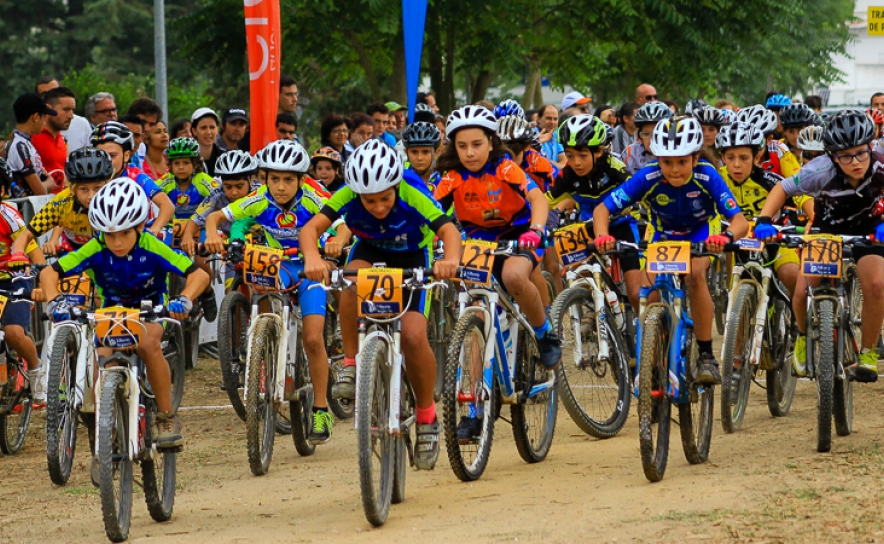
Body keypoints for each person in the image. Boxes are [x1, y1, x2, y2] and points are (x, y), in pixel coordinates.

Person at [300, 140, 461, 468]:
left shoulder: (412, 191)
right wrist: (312, 257)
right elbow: (311, 229)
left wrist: (453, 259)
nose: (377, 206)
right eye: (368, 200)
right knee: (350, 284)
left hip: (415, 255)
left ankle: (427, 418)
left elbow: (448, 229)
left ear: (395, 186)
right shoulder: (346, 193)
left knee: (414, 335)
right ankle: (350, 363)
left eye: (385, 198)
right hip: (371, 249)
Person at [40, 177, 211, 449]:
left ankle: (166, 417)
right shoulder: (95, 247)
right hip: (112, 308)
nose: (117, 242)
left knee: (147, 343)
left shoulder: (152, 245)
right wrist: (55, 300)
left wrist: (185, 299)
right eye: (110, 235)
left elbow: (198, 275)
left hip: (151, 305)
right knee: (103, 357)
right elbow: (49, 272)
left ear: (140, 227)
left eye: (125, 234)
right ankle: (105, 435)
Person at [204, 140, 342, 444]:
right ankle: (264, 352)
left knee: (313, 338)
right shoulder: (258, 199)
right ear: (265, 178)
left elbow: (344, 224)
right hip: (276, 264)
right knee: (263, 302)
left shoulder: (314, 198)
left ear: (301, 179)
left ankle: (320, 408)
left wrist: (335, 242)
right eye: (274, 179)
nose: (280, 187)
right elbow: (216, 217)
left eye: (288, 180)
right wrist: (213, 233)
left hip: (310, 267)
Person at [593, 116, 749, 385]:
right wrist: (602, 236)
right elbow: (602, 209)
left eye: (682, 162)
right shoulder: (648, 176)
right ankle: (656, 346)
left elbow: (740, 221)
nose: (674, 170)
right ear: (656, 158)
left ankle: (705, 355)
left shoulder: (707, 175)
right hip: (662, 235)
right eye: (667, 162)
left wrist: (726, 237)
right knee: (645, 293)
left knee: (696, 275)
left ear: (696, 157)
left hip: (701, 234)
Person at [753, 111, 884, 382]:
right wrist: (764, 219)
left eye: (861, 153)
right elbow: (783, 189)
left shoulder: (881, 164)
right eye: (845, 156)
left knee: (877, 285)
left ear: (871, 146)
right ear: (832, 156)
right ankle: (802, 336)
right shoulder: (819, 169)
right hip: (828, 228)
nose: (855, 162)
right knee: (802, 292)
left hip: (870, 227)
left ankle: (869, 353)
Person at [435, 106, 562, 369]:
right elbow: (432, 213)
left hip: (519, 232)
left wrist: (536, 229)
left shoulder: (505, 168)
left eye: (477, 144)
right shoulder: (452, 177)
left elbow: (537, 197)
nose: (469, 152)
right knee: (477, 303)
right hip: (479, 238)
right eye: (462, 146)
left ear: (491, 143)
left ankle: (544, 332)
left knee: (513, 277)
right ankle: (473, 404)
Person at [546, 115, 641, 311]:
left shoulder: (614, 167)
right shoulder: (567, 174)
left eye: (582, 155)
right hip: (587, 228)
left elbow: (637, 193)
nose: (576, 162)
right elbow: (546, 201)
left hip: (621, 226)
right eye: (570, 156)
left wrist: (632, 206)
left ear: (598, 151)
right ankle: (593, 311)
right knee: (582, 280)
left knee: (634, 292)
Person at [715, 122, 810, 298]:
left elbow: (801, 195)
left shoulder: (770, 180)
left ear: (757, 158)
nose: (736, 165)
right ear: (722, 157)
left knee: (791, 273)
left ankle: (795, 319)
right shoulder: (717, 179)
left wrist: (811, 217)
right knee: (733, 289)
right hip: (738, 238)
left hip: (773, 237)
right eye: (730, 158)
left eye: (744, 158)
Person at [0, 157, 46, 403]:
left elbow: (29, 244)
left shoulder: (7, 214)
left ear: (2, 191)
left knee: (14, 332)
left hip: (14, 279)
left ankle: (36, 368)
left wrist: (41, 270)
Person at [11, 147, 113, 258]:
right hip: (75, 254)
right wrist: (18, 255)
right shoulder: (61, 203)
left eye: (97, 188)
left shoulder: (117, 200)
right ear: (73, 189)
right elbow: (26, 234)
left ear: (108, 185)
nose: (91, 196)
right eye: (83, 189)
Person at [90, 121, 175, 237]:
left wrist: (154, 230)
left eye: (112, 155)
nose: (106, 160)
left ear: (126, 155)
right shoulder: (90, 177)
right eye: (100, 155)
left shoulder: (137, 176)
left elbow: (167, 206)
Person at [182, 150, 259, 259]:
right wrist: (187, 237)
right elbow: (196, 218)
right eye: (228, 186)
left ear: (251, 180)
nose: (234, 192)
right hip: (231, 245)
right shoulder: (217, 193)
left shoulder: (261, 193)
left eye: (239, 186)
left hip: (260, 243)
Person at [7, 92, 58, 196]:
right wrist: (49, 183)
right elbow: (40, 191)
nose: (44, 122)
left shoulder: (24, 142)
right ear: (35, 117)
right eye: (44, 117)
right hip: (24, 210)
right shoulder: (19, 146)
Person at [736, 105, 800, 178]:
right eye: (745, 140)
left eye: (756, 140)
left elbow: (797, 180)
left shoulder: (778, 148)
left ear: (769, 139)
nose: (751, 146)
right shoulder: (733, 151)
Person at [33, 86, 76, 190]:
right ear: (48, 108)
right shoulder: (31, 136)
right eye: (66, 110)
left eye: (72, 110)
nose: (71, 116)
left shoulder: (61, 138)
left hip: (60, 203)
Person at [36, 77, 91, 153]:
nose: (50, 96)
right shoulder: (33, 128)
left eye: (55, 92)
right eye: (44, 94)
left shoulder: (82, 124)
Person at [621, 101, 672, 175]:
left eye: (657, 134)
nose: (652, 139)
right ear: (640, 135)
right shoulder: (630, 154)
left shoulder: (681, 154)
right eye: (646, 134)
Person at [401, 122, 442, 191]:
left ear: (436, 152)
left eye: (425, 152)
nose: (419, 158)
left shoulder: (445, 178)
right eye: (414, 152)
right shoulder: (400, 177)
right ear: (406, 152)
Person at [190, 108, 223, 176]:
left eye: (212, 127)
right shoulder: (187, 159)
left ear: (217, 129)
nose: (208, 132)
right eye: (203, 128)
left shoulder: (224, 157)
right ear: (194, 131)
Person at [536, 104, 566, 169]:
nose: (552, 122)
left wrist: (550, 164)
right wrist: (537, 141)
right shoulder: (531, 135)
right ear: (538, 119)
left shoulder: (556, 135)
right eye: (548, 118)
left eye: (555, 119)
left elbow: (564, 162)